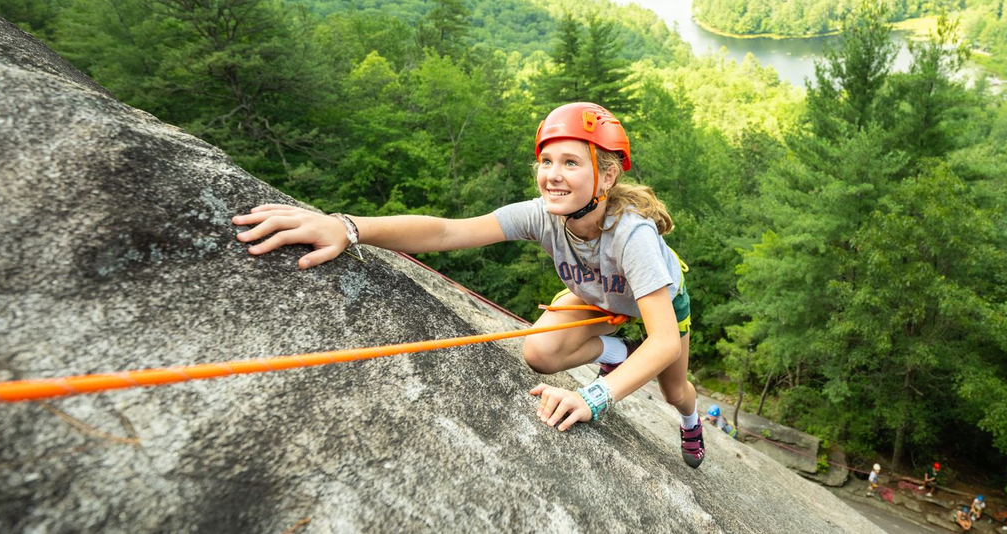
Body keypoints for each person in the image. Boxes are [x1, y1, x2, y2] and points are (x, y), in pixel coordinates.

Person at [230, 103, 706, 468]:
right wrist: (348, 227)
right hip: (594, 297)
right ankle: (615, 352)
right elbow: (447, 231)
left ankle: (692, 421)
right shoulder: (541, 214)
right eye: (546, 161)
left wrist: (592, 398)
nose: (552, 175)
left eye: (570, 163)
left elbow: (663, 339)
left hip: (654, 306)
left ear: (606, 173)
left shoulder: (633, 236)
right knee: (539, 355)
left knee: (673, 390)